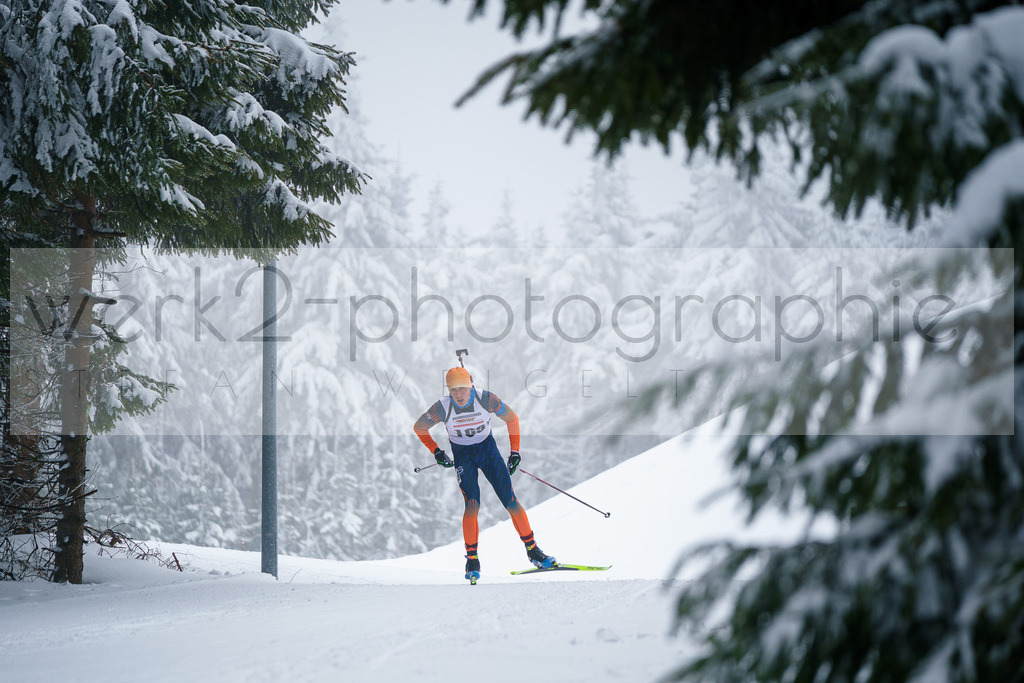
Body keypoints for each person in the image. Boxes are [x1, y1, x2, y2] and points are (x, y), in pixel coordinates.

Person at [413, 366, 556, 580]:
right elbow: (419, 427)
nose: (458, 395)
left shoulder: (485, 399)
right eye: (453, 390)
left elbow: (512, 419)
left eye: (462, 388)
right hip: (463, 455)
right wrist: (436, 452)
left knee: (510, 500)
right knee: (472, 504)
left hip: (487, 451)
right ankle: (472, 560)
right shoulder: (442, 408)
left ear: (470, 385)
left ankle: (534, 551)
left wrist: (515, 452)